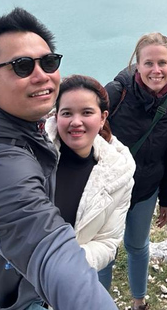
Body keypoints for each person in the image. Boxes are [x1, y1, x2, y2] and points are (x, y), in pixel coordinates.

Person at [0, 8, 123, 310]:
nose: (42, 75)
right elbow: (49, 251)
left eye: (48, 62)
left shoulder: (6, 129)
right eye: (21, 66)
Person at [105, 33, 167, 310]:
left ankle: (139, 304)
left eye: (162, 62)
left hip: (147, 188)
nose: (156, 70)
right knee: (106, 252)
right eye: (148, 63)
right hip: (110, 191)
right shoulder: (117, 92)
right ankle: (101, 309)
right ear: (136, 65)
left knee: (138, 245)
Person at [45, 75, 135, 292]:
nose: (76, 122)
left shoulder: (118, 173)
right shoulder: (32, 157)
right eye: (67, 113)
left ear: (103, 117)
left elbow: (107, 242)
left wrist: (66, 264)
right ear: (56, 116)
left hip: (70, 282)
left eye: (86, 112)